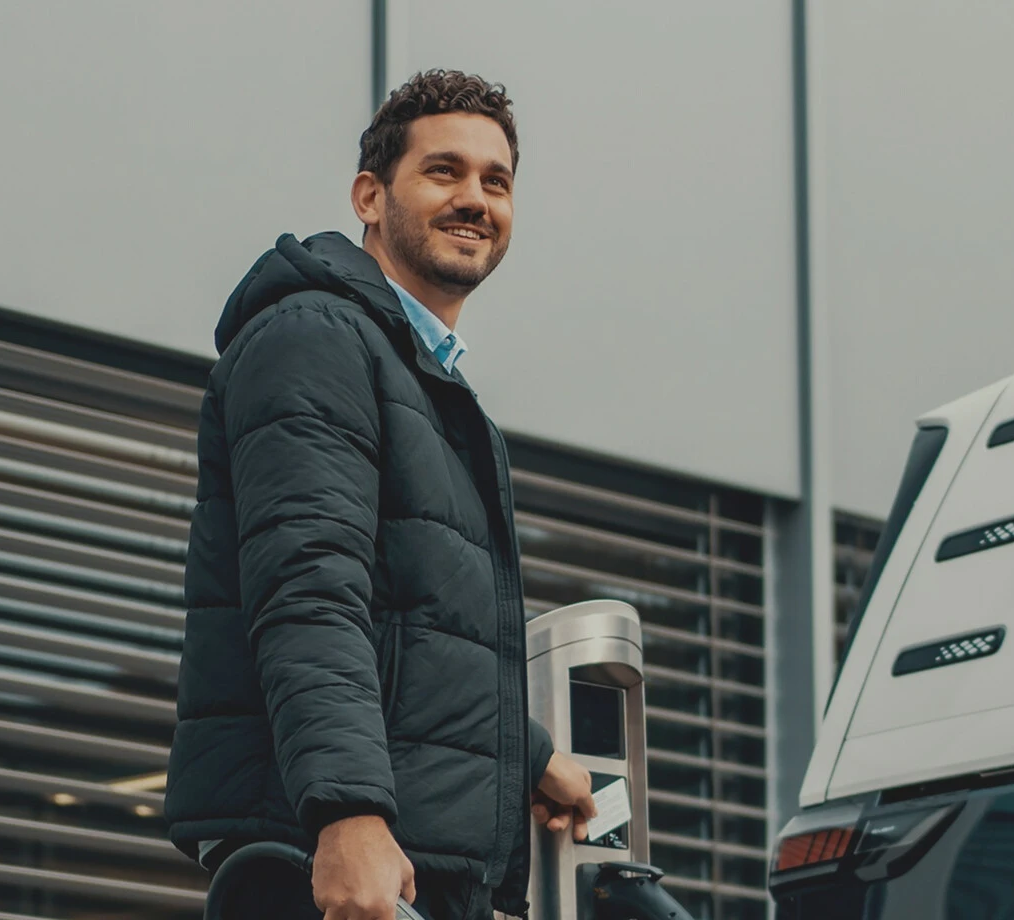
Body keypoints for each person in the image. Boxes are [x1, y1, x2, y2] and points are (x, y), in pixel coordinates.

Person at [165, 70, 597, 920]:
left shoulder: (413, 371)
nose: (475, 198)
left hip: (408, 861)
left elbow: (412, 626)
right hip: (329, 858)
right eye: (444, 171)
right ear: (370, 195)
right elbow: (309, 589)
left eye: (496, 181)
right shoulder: (315, 337)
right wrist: (347, 812)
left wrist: (529, 754)